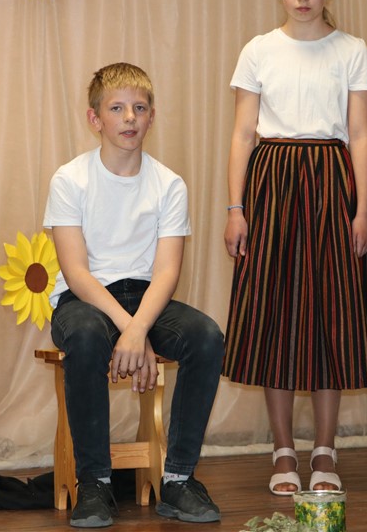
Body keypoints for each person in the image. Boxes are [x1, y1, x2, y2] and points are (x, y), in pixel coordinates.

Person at [222, 0, 367, 496]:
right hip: (271, 182)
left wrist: (363, 209)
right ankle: (283, 448)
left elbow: (360, 133)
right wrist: (236, 208)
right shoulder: (258, 50)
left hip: (332, 181)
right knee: (276, 317)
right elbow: (243, 133)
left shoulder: (352, 50)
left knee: (332, 315)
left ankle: (325, 450)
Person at [44, 63, 224, 528]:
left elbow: (166, 272)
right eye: (117, 108)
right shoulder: (70, 179)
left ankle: (179, 479)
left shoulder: (169, 184)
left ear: (152, 117)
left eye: (139, 108)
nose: (129, 118)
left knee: (206, 336)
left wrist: (139, 326)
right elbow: (76, 273)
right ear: (95, 119)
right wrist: (131, 331)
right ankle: (95, 484)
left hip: (147, 298)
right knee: (86, 337)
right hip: (86, 301)